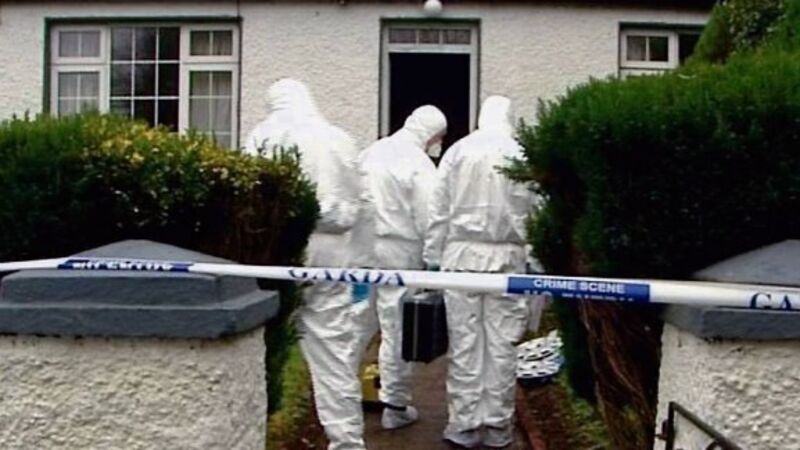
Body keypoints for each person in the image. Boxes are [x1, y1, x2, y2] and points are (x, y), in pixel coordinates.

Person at [245, 78, 372, 450]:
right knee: (334, 349)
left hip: (283, 247)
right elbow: (364, 203)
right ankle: (346, 440)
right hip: (334, 252)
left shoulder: (264, 136)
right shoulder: (340, 139)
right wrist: (361, 263)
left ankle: (255, 433)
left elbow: (251, 195)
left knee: (263, 343)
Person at [424, 96, 540, 449]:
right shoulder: (522, 154)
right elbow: (537, 211)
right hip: (508, 258)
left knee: (465, 343)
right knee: (503, 345)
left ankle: (464, 423)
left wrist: (432, 257)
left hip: (461, 257)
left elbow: (439, 209)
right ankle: (498, 426)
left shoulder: (459, 152)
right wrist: (536, 261)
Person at [358, 105, 447, 430]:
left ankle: (342, 397)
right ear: (432, 134)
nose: (439, 143)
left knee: (356, 323)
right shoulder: (419, 164)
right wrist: (434, 259)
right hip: (400, 252)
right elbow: (430, 217)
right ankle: (394, 406)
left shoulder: (372, 151)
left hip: (363, 251)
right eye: (439, 137)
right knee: (396, 328)